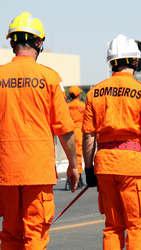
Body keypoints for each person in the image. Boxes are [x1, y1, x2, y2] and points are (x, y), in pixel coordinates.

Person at [83, 34, 141, 250]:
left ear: (111, 62)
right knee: (137, 225)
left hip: (104, 165)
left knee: (112, 226)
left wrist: (89, 169)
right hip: (132, 166)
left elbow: (88, 136)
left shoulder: (95, 92)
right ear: (135, 61)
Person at [0, 12, 79, 249]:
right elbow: (65, 131)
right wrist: (74, 165)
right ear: (39, 42)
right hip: (37, 170)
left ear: (12, 42)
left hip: (5, 169)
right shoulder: (49, 78)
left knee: (10, 234)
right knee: (35, 233)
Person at [66, 86, 85, 189]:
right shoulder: (82, 106)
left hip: (69, 132)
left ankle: (70, 175)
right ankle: (79, 177)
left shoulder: (67, 106)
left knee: (71, 156)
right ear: (78, 94)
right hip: (79, 132)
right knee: (78, 155)